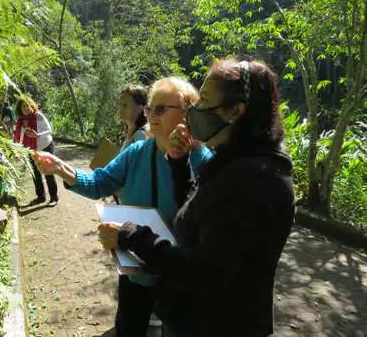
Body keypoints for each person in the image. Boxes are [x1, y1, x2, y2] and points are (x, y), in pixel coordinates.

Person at [98, 59, 295, 336]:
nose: (195, 111)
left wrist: (133, 236)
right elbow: (206, 215)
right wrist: (180, 167)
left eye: (203, 101)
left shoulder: (249, 182)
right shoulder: (239, 162)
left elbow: (204, 274)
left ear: (234, 111)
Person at [32, 77, 213, 337]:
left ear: (188, 113)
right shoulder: (138, 151)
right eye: (151, 108)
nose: (152, 114)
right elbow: (100, 182)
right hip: (135, 269)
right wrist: (60, 168)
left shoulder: (204, 160)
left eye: (162, 108)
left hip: (176, 273)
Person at [13, 97, 58, 207]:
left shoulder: (38, 115)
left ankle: (54, 197)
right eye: (24, 106)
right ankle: (40, 197)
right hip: (31, 149)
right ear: (20, 109)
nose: (27, 108)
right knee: (35, 173)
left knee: (48, 172)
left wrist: (38, 135)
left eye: (28, 105)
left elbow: (49, 130)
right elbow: (18, 138)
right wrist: (17, 150)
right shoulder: (20, 121)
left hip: (45, 146)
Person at [118, 84, 149, 150]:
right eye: (120, 104)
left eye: (125, 105)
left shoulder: (140, 136)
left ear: (140, 108)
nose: (121, 109)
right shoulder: (131, 133)